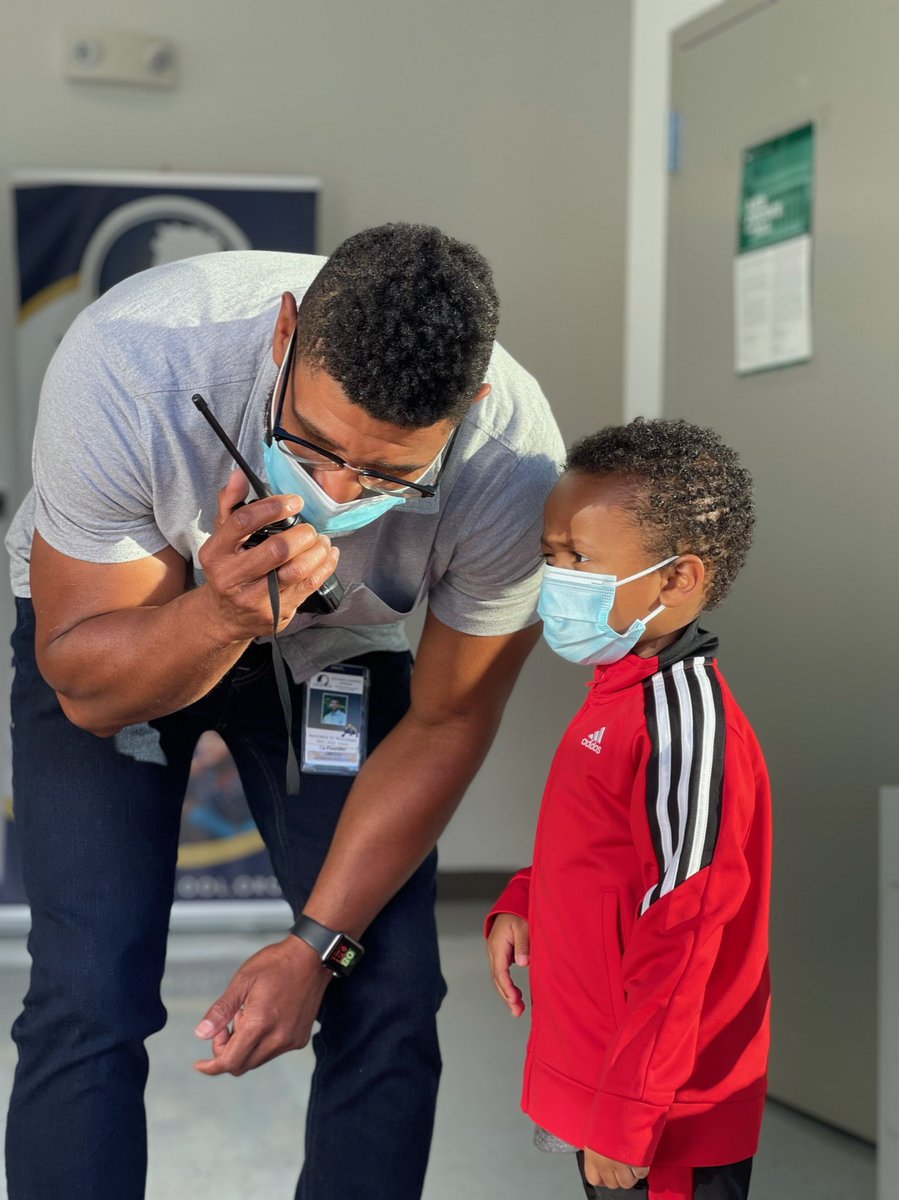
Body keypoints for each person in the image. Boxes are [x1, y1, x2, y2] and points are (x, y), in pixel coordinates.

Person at [4, 222, 564, 1200]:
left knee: (384, 989)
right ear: (283, 334)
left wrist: (316, 944)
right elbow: (86, 696)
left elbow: (447, 720)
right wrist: (219, 614)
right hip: (132, 623)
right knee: (87, 994)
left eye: (391, 475)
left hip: (340, 652)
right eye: (312, 445)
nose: (338, 494)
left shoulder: (512, 463)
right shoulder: (126, 363)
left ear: (467, 411)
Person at [486, 419, 771, 1200]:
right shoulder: (619, 691)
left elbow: (685, 926)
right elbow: (604, 850)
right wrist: (526, 899)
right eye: (551, 556)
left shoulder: (681, 724)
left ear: (676, 581)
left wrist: (627, 1113)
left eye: (580, 559)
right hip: (603, 1072)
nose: (557, 577)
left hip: (659, 1110)